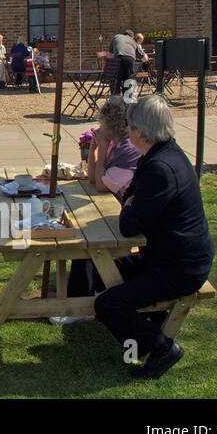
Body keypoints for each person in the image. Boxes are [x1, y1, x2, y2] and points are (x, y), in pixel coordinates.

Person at [93, 94, 215, 380]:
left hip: (181, 267)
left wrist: (131, 205)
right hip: (167, 256)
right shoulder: (163, 154)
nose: (127, 132)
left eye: (131, 127)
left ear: (140, 132)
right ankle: (146, 329)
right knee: (97, 268)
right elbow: (130, 203)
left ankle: (162, 348)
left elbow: (128, 224)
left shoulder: (160, 168)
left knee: (107, 304)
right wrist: (132, 204)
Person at [54, 97, 143, 314]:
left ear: (113, 125)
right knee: (83, 232)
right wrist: (94, 147)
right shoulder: (116, 145)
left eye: (104, 124)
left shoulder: (128, 150)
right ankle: (82, 292)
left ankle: (80, 304)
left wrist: (102, 149)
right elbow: (93, 178)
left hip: (124, 215)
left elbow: (102, 185)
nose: (101, 128)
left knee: (86, 238)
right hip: (115, 208)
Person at [104, 29, 140, 97]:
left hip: (118, 59)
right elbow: (143, 56)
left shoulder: (116, 37)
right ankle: (128, 102)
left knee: (116, 80)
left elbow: (110, 54)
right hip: (130, 60)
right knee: (129, 81)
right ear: (132, 36)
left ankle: (115, 101)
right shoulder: (133, 41)